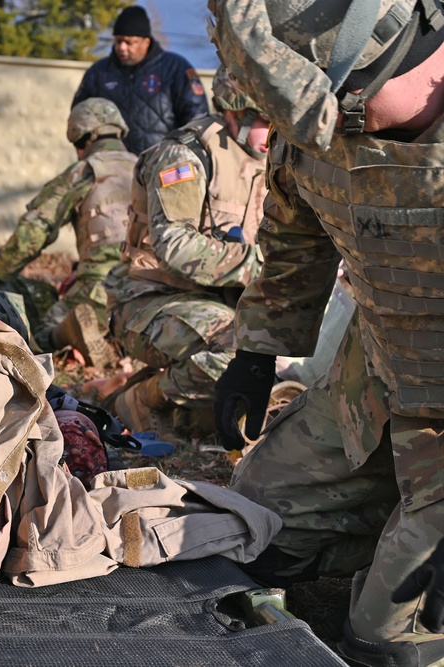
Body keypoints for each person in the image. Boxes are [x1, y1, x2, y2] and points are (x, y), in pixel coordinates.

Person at [209, 0, 444, 664]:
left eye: (352, 105)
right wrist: (257, 350)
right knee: (258, 527)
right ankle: (400, 514)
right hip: (387, 370)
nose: (345, 127)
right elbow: (295, 238)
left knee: (388, 641)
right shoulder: (325, 128)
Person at [107, 68, 268, 440]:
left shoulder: (268, 161)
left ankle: (178, 395)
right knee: (240, 348)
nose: (276, 134)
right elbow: (174, 245)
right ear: (235, 112)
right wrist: (255, 264)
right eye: (266, 120)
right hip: (148, 301)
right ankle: (146, 398)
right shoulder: (183, 156)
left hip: (215, 304)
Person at [0, 98, 136, 367]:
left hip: (102, 286)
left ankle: (71, 336)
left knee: (38, 336)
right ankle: (118, 344)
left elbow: (34, 231)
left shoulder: (83, 172)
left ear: (80, 138)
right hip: (149, 287)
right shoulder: (147, 167)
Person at [71, 5, 208, 155]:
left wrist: (183, 155)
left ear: (146, 42)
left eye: (129, 42)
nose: (122, 47)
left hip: (160, 165)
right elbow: (79, 117)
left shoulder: (175, 69)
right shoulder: (98, 73)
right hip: (111, 167)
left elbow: (197, 118)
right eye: (118, 41)